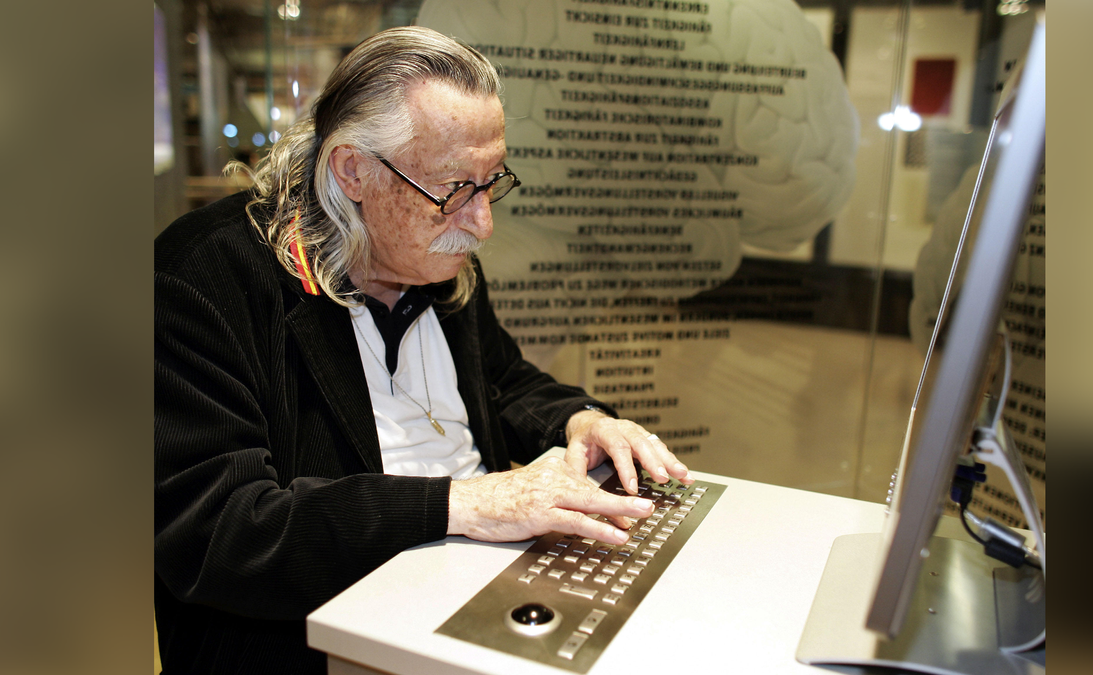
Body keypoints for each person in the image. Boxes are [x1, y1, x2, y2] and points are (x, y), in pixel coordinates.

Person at [154, 26, 691, 674]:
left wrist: (585, 420)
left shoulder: (438, 255)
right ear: (352, 170)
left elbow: (503, 380)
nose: (482, 222)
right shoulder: (201, 280)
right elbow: (220, 529)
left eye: (492, 182)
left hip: (479, 593)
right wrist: (465, 504)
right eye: (453, 190)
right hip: (323, 637)